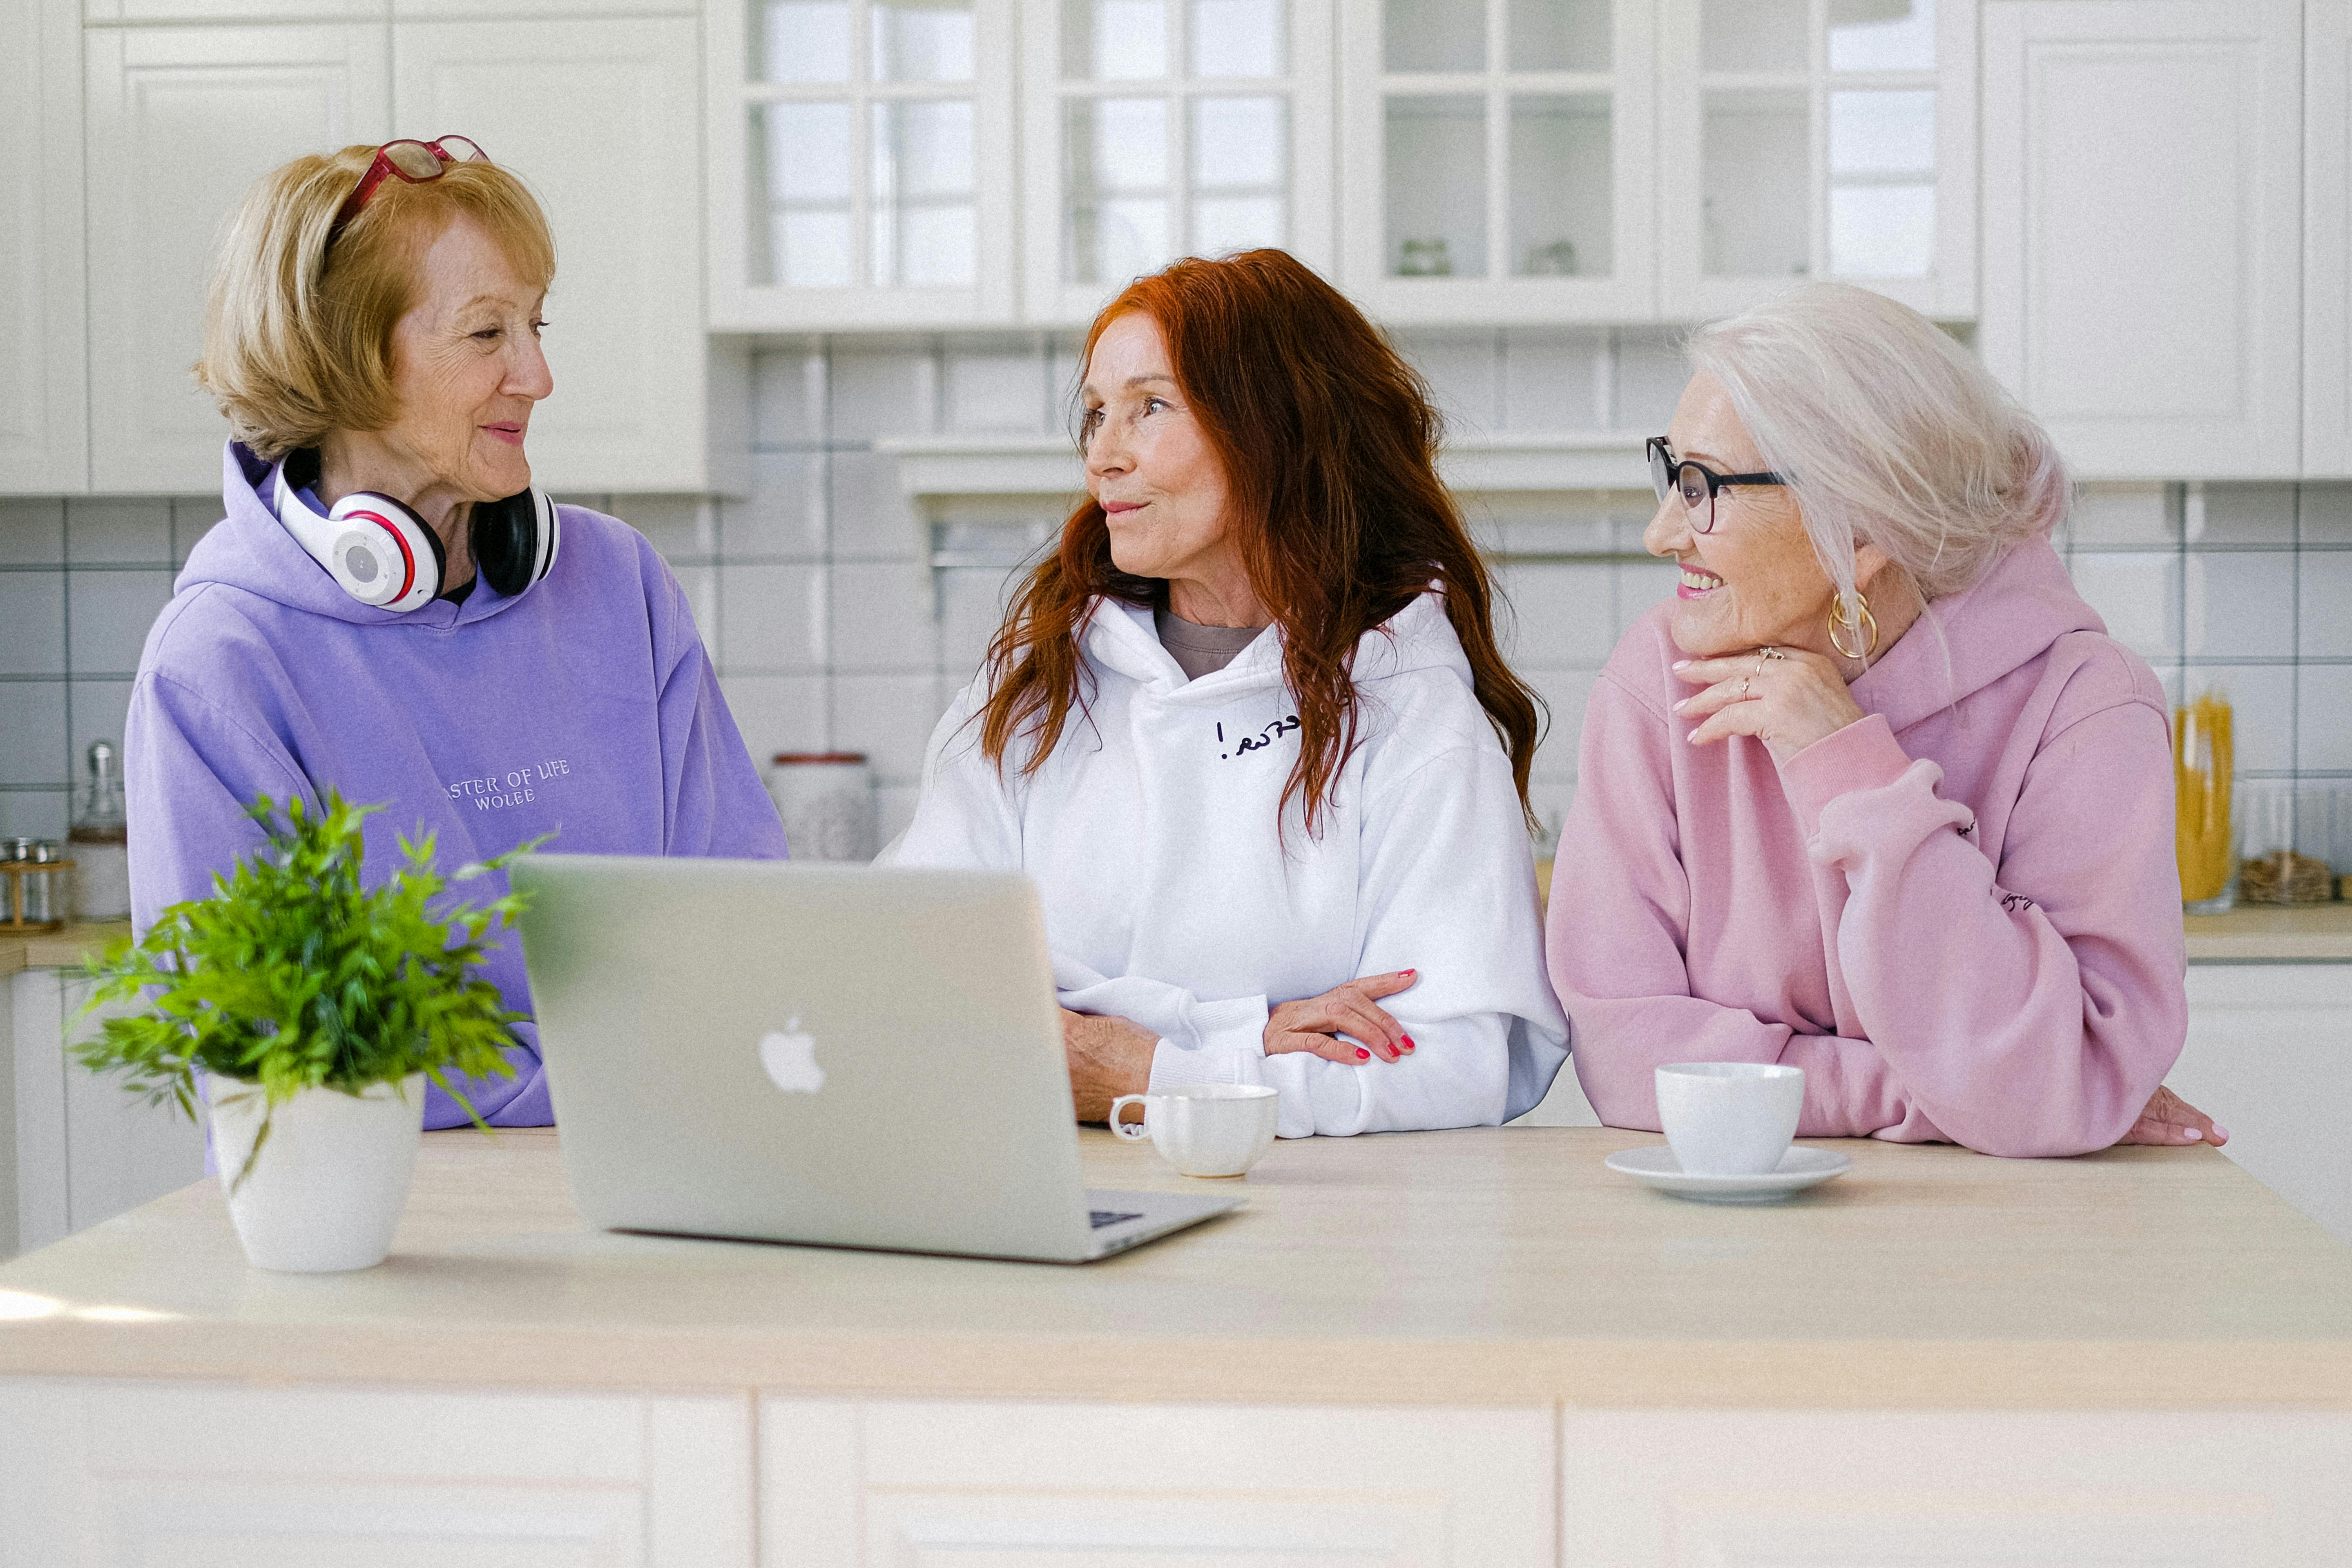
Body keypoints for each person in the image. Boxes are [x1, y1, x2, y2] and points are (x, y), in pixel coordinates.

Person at [127, 138, 785, 1127]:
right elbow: (270, 1041)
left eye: (536, 325)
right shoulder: (220, 664)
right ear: (343, 358)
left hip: (664, 1178)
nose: (539, 375)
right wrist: (616, 1075)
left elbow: (744, 919)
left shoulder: (618, 584)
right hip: (386, 1223)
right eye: (488, 335)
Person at [889, 250, 1568, 1138]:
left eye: (1149, 407)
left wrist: (1138, 1069)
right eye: (1095, 415)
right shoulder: (1032, 687)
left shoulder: (1415, 716)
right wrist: (1248, 1034)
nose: (1102, 457)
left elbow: (1453, 1068)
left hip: (1307, 1238)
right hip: (1042, 1205)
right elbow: (909, 973)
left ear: (1275, 429)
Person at [1549, 282, 2218, 1158]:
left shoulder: (2085, 706)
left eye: (1700, 485)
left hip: (2013, 1247)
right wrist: (1935, 1094)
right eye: (1667, 473)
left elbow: (2065, 1075)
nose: (1662, 531)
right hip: (1723, 1241)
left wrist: (1845, 768)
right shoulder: (1657, 680)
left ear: (1859, 530)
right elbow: (1626, 1059)